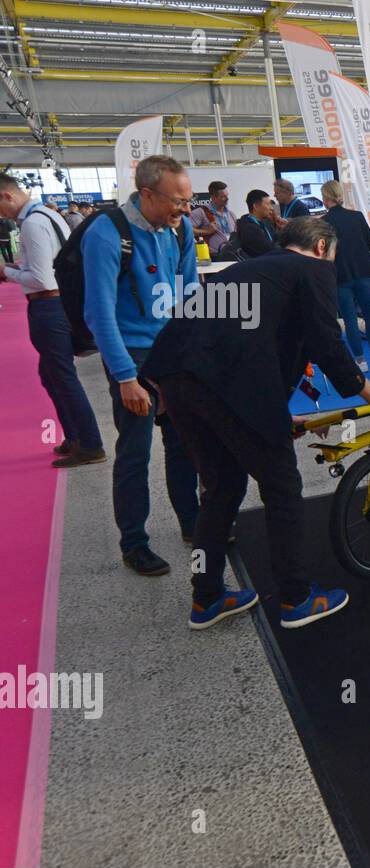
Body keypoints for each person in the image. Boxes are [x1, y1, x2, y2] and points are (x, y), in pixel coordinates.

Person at [141, 216, 370, 630]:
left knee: (220, 489)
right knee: (281, 486)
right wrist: (368, 390)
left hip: (175, 379)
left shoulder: (247, 270)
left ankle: (206, 597)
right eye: (331, 258)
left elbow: (247, 345)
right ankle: (296, 598)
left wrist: (276, 413)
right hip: (221, 387)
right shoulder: (310, 269)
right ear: (320, 248)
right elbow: (324, 340)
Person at [82, 154, 201, 575]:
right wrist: (126, 377)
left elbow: (190, 293)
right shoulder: (107, 233)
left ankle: (193, 522)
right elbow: (98, 313)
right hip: (131, 358)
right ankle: (134, 543)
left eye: (189, 201)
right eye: (177, 201)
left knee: (184, 443)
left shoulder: (180, 228)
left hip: (171, 354)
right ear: (147, 194)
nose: (185, 210)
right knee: (134, 453)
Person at [0, 173, 106, 467]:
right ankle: (75, 436)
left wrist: (7, 272)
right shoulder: (48, 215)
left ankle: (90, 443)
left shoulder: (33, 223)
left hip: (48, 305)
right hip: (61, 302)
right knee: (51, 374)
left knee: (62, 375)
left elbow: (41, 278)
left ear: (7, 196)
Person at [321, 180, 370, 371]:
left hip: (339, 276)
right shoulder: (357, 216)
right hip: (362, 273)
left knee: (350, 319)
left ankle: (360, 361)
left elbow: (323, 252)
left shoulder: (323, 223)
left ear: (325, 198)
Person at [190, 180, 238, 256]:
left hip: (232, 255)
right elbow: (186, 230)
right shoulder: (201, 212)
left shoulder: (231, 214)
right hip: (212, 258)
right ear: (213, 197)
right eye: (223, 197)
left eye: (227, 196)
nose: (227, 199)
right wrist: (207, 231)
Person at [237, 189, 278, 258]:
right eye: (267, 204)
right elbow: (267, 250)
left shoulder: (266, 222)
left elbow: (277, 240)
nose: (271, 208)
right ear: (256, 206)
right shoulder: (248, 229)